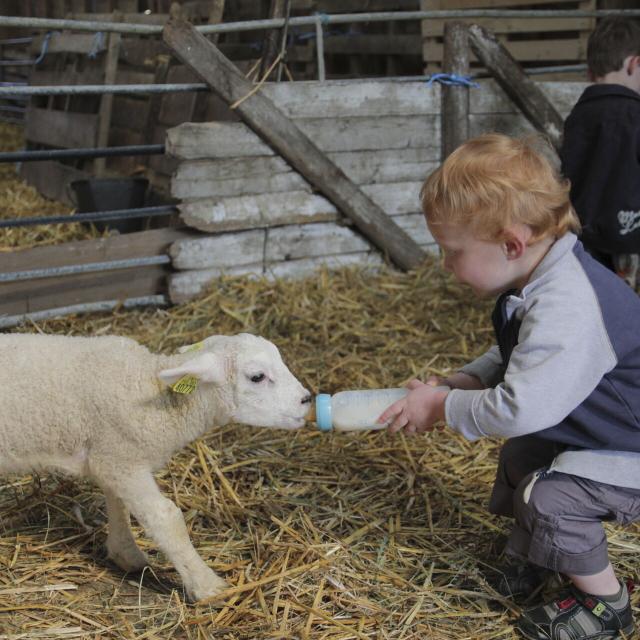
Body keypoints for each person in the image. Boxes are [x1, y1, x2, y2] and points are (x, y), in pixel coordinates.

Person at [379, 133, 640, 640]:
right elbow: (516, 353)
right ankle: (541, 559)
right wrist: (466, 380)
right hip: (600, 425)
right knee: (523, 456)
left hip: (630, 446)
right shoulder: (540, 279)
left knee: (550, 498)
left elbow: (522, 405)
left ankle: (607, 603)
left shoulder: (569, 305)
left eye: (452, 252)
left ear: (511, 243)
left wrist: (442, 407)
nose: (447, 266)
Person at [560, 17, 640, 289]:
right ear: (634, 64)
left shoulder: (577, 118)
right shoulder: (636, 115)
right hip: (630, 238)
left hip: (583, 242)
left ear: (591, 71)